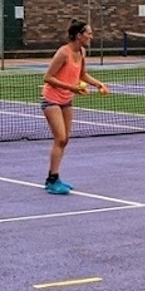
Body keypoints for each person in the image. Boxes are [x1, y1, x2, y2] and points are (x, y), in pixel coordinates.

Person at [41, 19, 108, 195]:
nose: (91, 36)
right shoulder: (63, 53)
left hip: (66, 100)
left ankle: (54, 177)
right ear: (79, 36)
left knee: (65, 139)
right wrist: (72, 87)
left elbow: (82, 74)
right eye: (89, 33)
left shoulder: (82, 52)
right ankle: (52, 179)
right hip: (52, 99)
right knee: (60, 138)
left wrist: (98, 84)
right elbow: (48, 77)